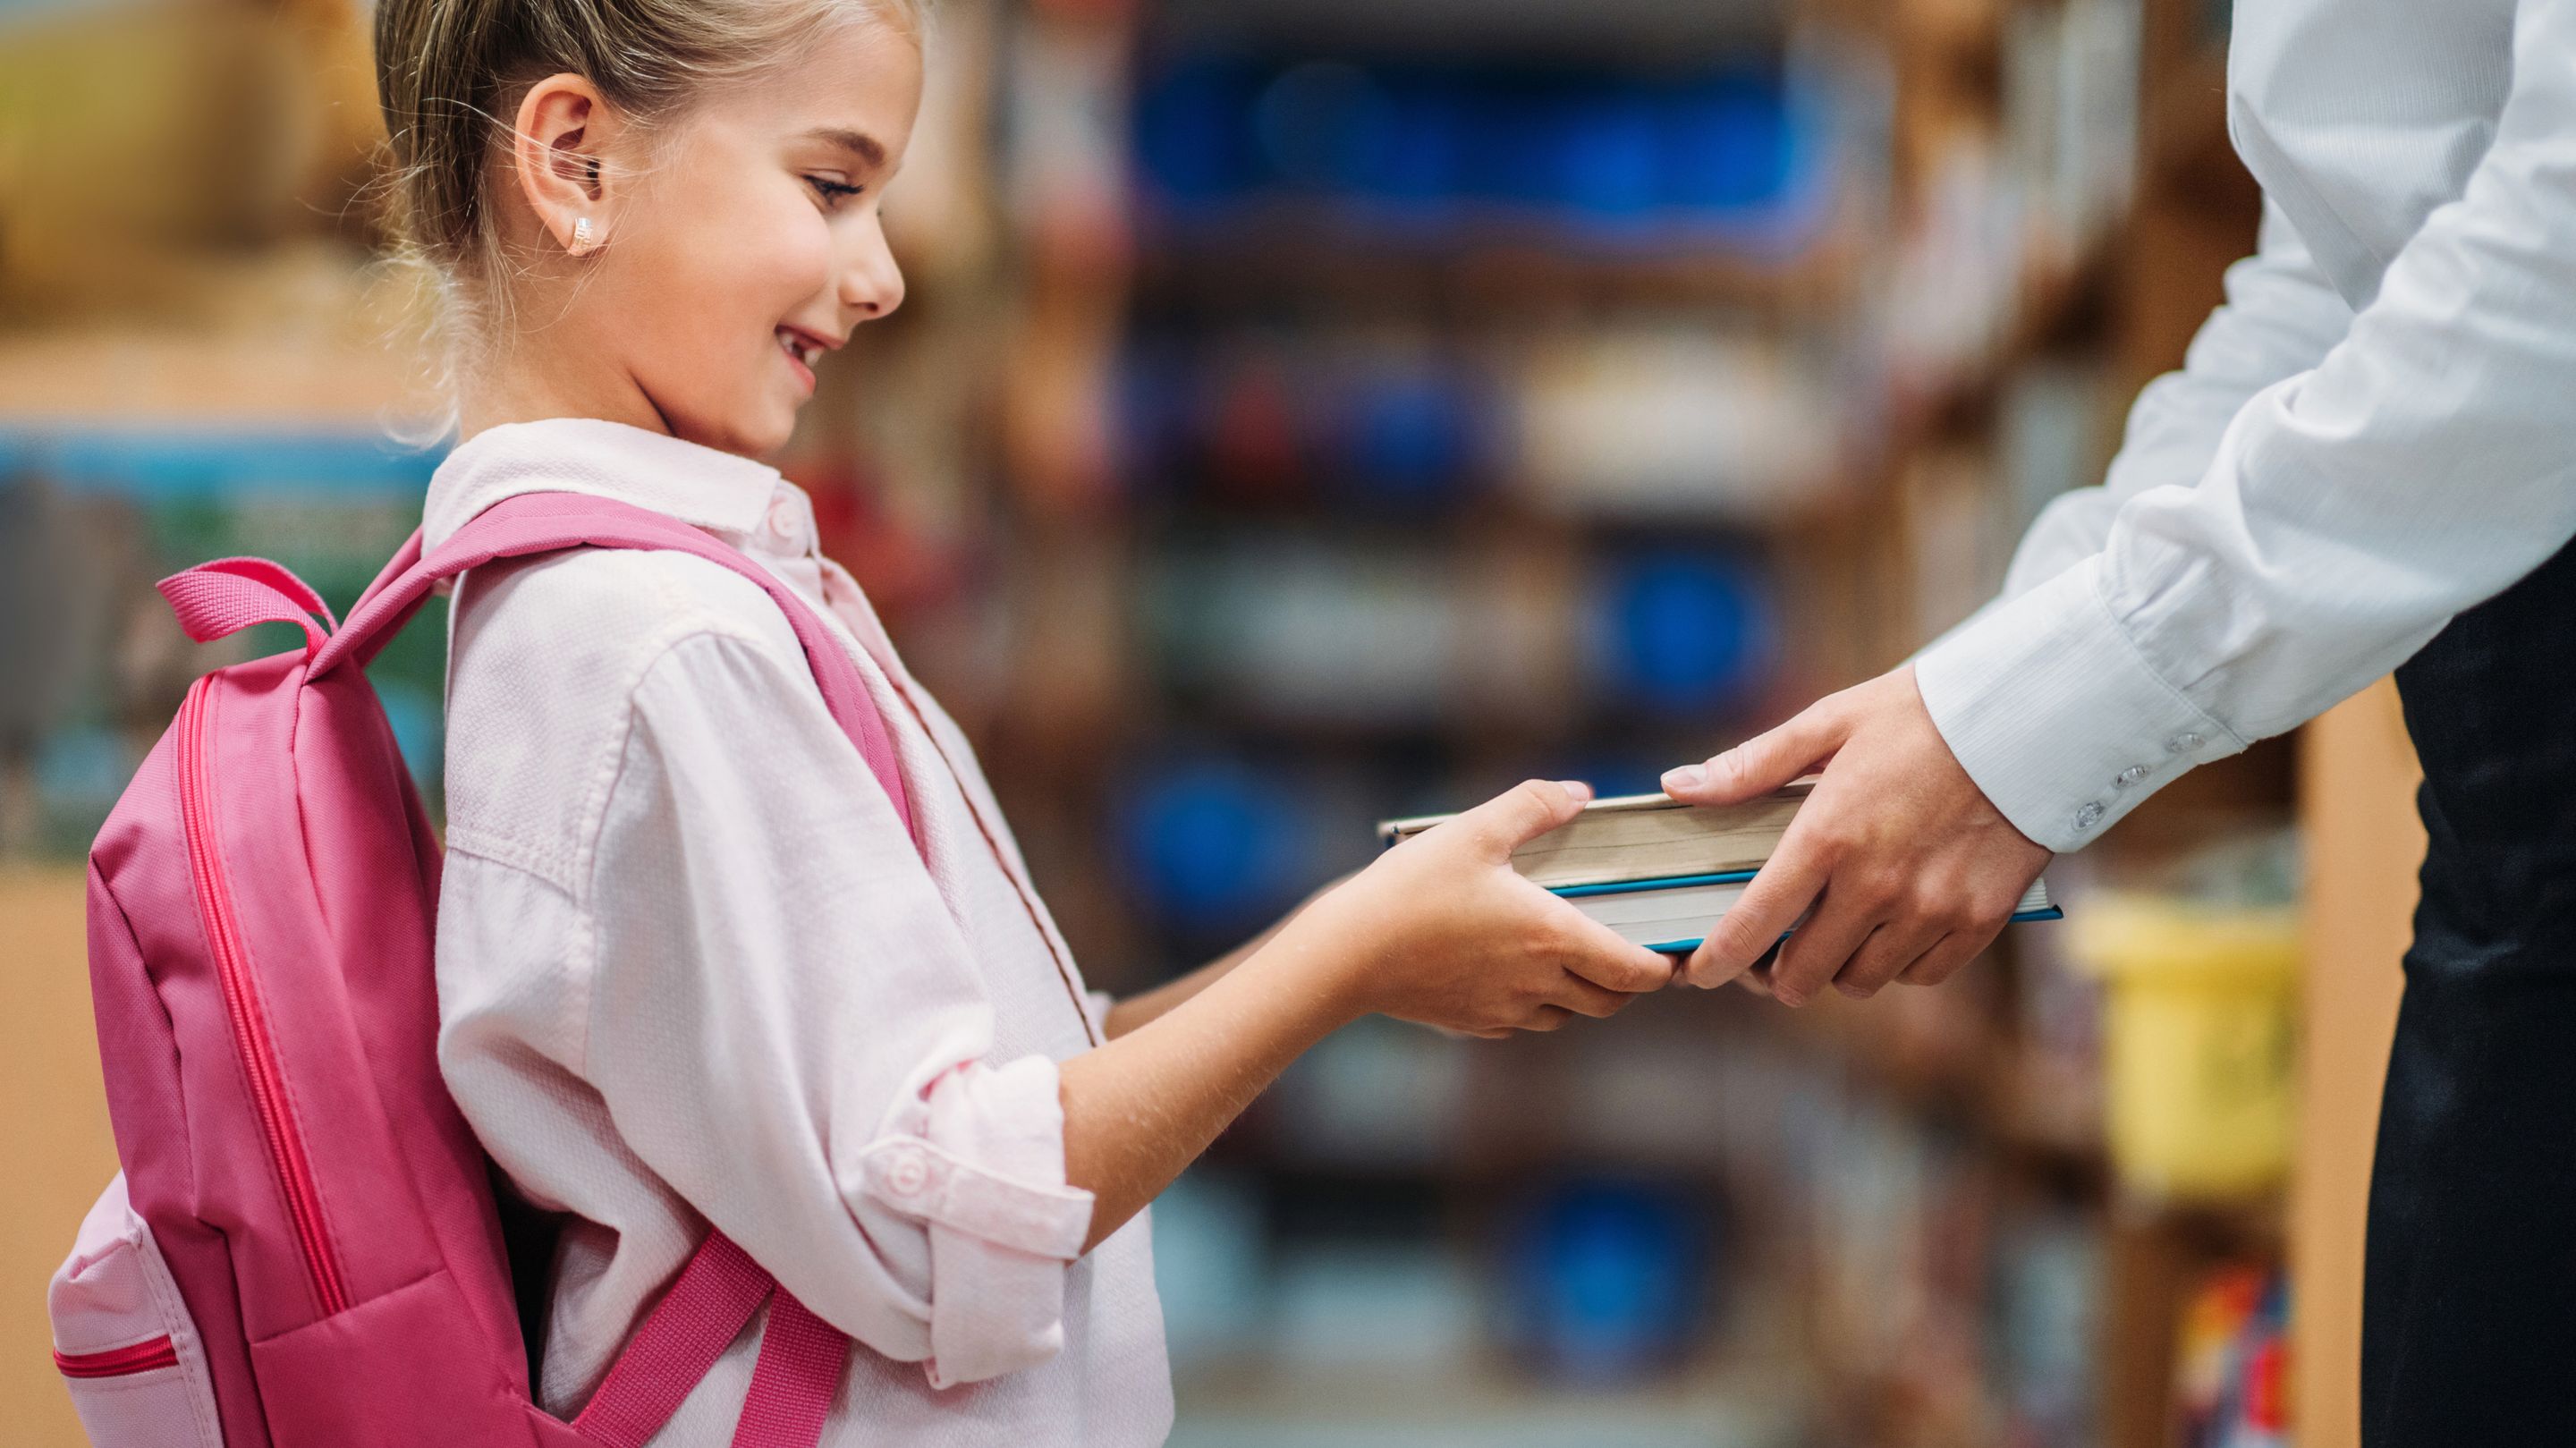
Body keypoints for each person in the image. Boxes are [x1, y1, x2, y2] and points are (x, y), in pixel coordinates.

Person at [370, 1, 1676, 1441]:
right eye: (830, 185)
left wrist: (1358, 954)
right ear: (575, 161)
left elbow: (962, 1084)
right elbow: (943, 1218)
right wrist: (1345, 954)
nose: (879, 278)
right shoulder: (667, 644)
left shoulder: (621, 604)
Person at [1659, 0, 2576, 1440]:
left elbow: (2552, 262)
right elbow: (2341, 268)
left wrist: (2024, 726)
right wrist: (1985, 694)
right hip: (2504, 826)